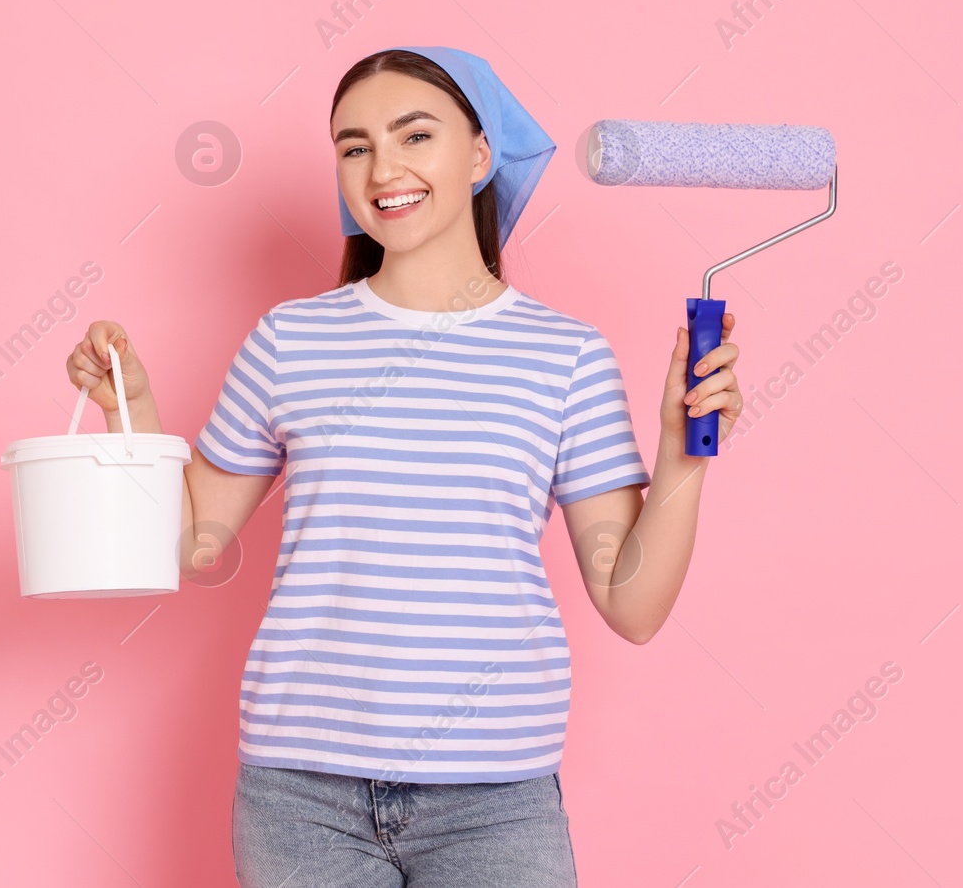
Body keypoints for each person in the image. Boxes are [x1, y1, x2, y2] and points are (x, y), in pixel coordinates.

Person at [66, 46, 743, 887]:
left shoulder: (565, 357)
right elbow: (192, 539)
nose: (382, 167)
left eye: (414, 135)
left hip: (495, 802)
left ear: (480, 153)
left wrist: (683, 452)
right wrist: (131, 408)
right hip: (300, 798)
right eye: (354, 147)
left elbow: (632, 604)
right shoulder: (290, 342)